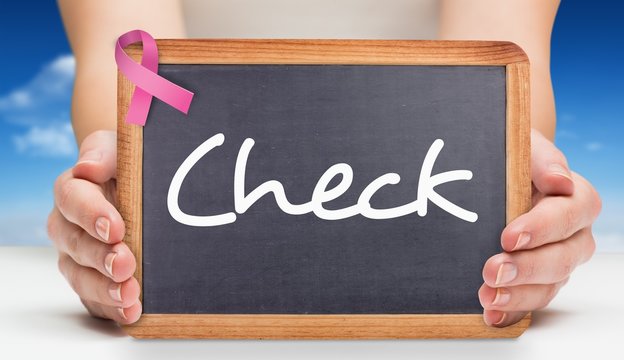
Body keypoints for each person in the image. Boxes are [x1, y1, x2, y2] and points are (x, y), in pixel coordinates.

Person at [50, 0, 601, 327]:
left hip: (435, 267)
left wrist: (523, 186)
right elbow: (126, 59)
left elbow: (493, 76)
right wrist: (115, 189)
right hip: (198, 242)